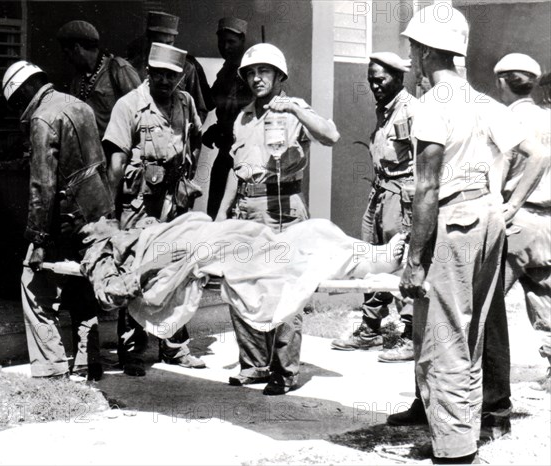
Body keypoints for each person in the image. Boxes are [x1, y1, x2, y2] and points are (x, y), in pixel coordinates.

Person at [396, 6, 546, 463]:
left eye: (413, 49)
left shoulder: (431, 105)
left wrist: (416, 260)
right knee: (471, 332)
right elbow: (537, 155)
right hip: (488, 218)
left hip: (453, 222)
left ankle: (454, 450)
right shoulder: (483, 102)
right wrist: (510, 204)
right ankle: (465, 431)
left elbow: (426, 187)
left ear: (423, 52)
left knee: (444, 339)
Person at [216, 43, 340, 395]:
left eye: (264, 72)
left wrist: (297, 111)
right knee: (241, 285)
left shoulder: (294, 109)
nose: (257, 78)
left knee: (286, 290)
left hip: (283, 206)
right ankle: (254, 364)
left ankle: (285, 371)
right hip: (247, 209)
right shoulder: (243, 118)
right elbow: (236, 169)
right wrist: (223, 210)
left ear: (279, 76)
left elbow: (331, 136)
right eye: (251, 73)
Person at [2, 60, 115, 380]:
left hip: (63, 218)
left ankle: (51, 370)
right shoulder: (78, 105)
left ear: (25, 90)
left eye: (16, 101)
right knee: (82, 285)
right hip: (95, 215)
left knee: (33, 286)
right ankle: (88, 360)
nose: (18, 109)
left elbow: (43, 184)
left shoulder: (42, 117)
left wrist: (37, 239)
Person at [103, 42, 205, 376]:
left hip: (173, 206)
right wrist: (108, 214)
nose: (165, 81)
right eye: (159, 74)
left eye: (172, 76)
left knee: (176, 273)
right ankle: (132, 351)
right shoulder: (129, 106)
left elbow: (196, 141)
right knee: (137, 273)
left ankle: (175, 348)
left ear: (180, 77)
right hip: (138, 208)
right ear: (148, 71)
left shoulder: (185, 103)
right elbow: (116, 164)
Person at [331, 52, 416, 363]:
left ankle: (409, 333)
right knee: (370, 260)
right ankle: (370, 330)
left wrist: (411, 211)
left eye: (381, 79)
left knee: (402, 263)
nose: (375, 85)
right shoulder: (385, 111)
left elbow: (422, 162)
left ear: (398, 77)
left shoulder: (411, 111)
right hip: (379, 193)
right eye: (371, 81)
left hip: (402, 197)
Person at [495, 53, 551, 388]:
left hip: (518, 216)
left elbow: (498, 172)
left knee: (483, 299)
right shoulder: (548, 118)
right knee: (545, 294)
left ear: (502, 82)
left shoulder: (506, 120)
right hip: (548, 220)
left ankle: (481, 377)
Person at [203, 17, 254, 219]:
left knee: (238, 214)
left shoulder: (252, 72)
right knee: (215, 211)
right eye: (222, 42)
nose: (225, 47)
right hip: (225, 152)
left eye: (231, 42)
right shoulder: (226, 72)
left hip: (244, 154)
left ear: (242, 41)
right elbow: (210, 102)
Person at [56, 20, 141, 139]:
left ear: (77, 48)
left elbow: (141, 111)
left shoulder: (118, 69)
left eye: (67, 53)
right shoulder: (78, 79)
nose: (66, 59)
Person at [129, 11, 212, 123]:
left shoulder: (186, 68)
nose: (164, 48)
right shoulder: (132, 66)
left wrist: (184, 132)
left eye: (169, 43)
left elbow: (199, 110)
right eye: (158, 43)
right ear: (148, 39)